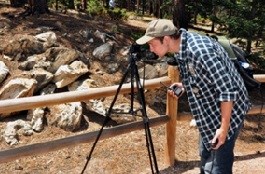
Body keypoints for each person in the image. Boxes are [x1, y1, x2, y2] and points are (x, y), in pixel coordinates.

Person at [136, 19, 251, 174]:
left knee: (218, 167)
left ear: (167, 39)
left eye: (152, 44)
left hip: (228, 113)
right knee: (205, 158)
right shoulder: (182, 47)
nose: (150, 48)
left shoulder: (200, 52)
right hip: (209, 115)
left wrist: (223, 129)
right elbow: (203, 75)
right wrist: (184, 85)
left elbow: (227, 90)